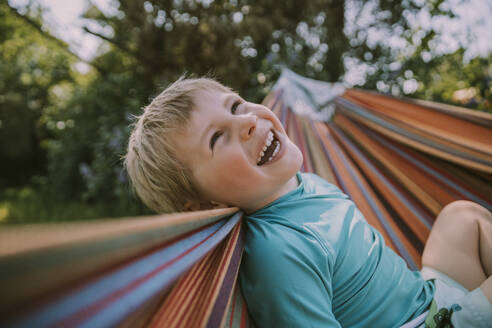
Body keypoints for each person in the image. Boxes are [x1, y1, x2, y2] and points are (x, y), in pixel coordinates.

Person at [124, 76, 492, 327]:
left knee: (461, 217)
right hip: (423, 323)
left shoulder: (304, 182)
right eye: (217, 138)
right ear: (204, 205)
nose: (248, 121)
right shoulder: (277, 253)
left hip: (428, 296)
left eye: (235, 106)